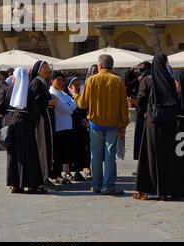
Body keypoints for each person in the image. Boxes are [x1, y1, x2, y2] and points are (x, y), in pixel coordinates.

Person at [134, 53, 183, 201]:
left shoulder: (148, 81)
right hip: (168, 123)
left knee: (149, 157)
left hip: (153, 123)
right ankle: (165, 191)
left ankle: (147, 190)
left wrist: (143, 114)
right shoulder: (170, 80)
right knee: (166, 157)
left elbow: (140, 101)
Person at [77, 54, 129, 195]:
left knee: (95, 155)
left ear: (99, 65)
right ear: (112, 66)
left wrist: (76, 95)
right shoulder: (118, 81)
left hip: (95, 124)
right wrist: (124, 124)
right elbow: (124, 106)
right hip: (113, 124)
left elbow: (82, 104)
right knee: (110, 155)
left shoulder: (91, 80)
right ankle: (109, 186)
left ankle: (97, 185)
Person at [0, 67, 45, 194]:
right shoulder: (29, 92)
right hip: (25, 125)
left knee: (12, 155)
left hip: (10, 124)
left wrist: (7, 116)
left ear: (14, 77)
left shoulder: (6, 90)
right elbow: (34, 112)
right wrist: (32, 125)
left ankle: (15, 185)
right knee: (29, 155)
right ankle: (32, 185)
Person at [29, 61, 60, 191]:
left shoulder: (42, 82)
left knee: (47, 147)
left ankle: (46, 177)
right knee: (43, 148)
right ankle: (43, 178)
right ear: (38, 70)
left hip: (46, 119)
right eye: (44, 68)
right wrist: (49, 102)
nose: (47, 70)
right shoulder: (36, 82)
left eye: (48, 68)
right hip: (41, 120)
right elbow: (34, 102)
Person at [49, 71, 76, 184]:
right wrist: (71, 104)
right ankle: (57, 174)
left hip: (67, 126)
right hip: (59, 127)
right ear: (52, 81)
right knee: (58, 153)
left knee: (65, 152)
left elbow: (73, 105)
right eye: (58, 80)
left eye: (62, 80)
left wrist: (71, 104)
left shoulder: (63, 93)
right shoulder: (52, 93)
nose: (61, 82)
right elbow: (67, 109)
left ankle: (63, 173)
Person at [67, 75, 92, 181]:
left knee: (80, 150)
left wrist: (86, 120)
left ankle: (78, 171)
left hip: (80, 129)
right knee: (68, 150)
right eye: (74, 85)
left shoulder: (81, 97)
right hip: (69, 127)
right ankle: (67, 172)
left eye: (78, 85)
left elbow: (86, 110)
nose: (77, 87)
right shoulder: (65, 96)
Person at [133, 62, 152, 161]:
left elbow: (141, 98)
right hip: (155, 114)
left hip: (144, 114)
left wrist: (140, 112)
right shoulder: (163, 78)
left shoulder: (146, 79)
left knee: (142, 139)